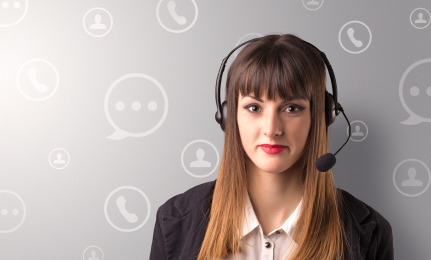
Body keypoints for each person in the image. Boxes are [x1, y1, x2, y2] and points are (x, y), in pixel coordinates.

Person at [149, 34, 394, 260]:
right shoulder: (174, 220)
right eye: (254, 108)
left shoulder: (370, 233)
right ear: (228, 116)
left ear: (320, 116)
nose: (271, 128)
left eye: (291, 108)